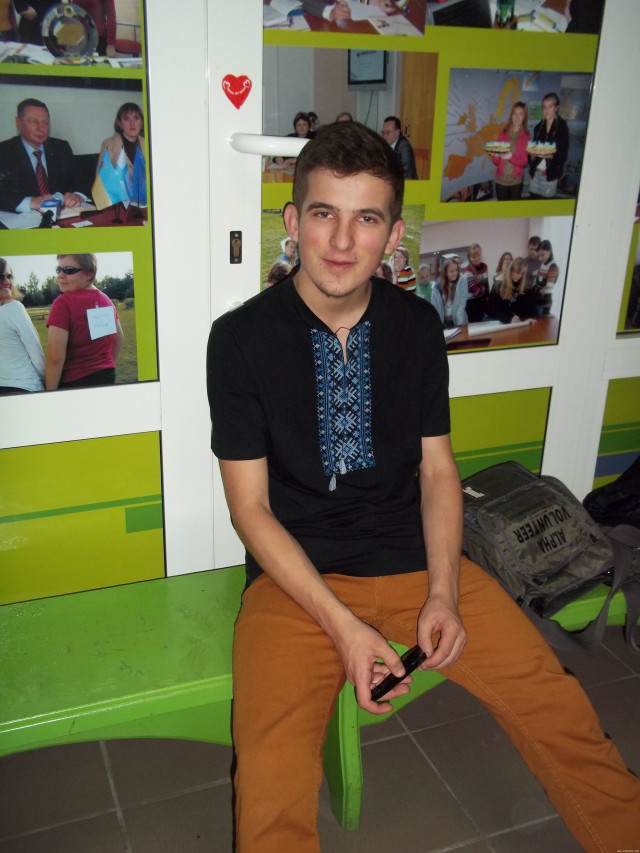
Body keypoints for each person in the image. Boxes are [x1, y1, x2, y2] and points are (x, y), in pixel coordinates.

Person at [207, 120, 640, 853]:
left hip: (418, 566)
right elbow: (249, 509)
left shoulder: (414, 324)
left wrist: (445, 591)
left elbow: (438, 470)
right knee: (270, 780)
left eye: (366, 219)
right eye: (324, 213)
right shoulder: (240, 338)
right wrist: (345, 627)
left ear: (393, 234)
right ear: (293, 221)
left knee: (560, 711)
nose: (342, 240)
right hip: (295, 585)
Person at [45, 254, 123, 390]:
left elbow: (55, 359)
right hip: (107, 376)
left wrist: (49, 393)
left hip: (74, 383)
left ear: (89, 273)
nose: (60, 276)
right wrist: (104, 366)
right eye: (59, 270)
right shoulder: (106, 301)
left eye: (68, 270)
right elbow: (119, 339)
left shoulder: (63, 303)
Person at [0, 98, 86, 215]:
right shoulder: (4, 151)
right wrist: (31, 202)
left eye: (45, 123)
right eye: (34, 122)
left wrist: (78, 196)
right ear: (18, 122)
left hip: (62, 216)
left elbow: (81, 181)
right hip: (22, 220)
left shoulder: (60, 147)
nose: (41, 128)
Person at [0, 257, 45, 394]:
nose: (7, 282)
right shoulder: (14, 308)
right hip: (26, 387)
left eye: (9, 276)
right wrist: (48, 381)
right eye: (1, 277)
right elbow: (36, 355)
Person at [92, 101, 146, 210]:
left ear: (141, 123)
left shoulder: (148, 144)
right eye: (126, 119)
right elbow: (101, 180)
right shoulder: (109, 144)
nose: (132, 123)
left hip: (145, 203)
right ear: (120, 123)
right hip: (119, 205)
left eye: (136, 118)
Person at [528, 92, 569, 199]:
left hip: (550, 175)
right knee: (532, 202)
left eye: (550, 106)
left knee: (546, 205)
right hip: (536, 173)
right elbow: (533, 149)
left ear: (556, 108)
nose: (547, 110)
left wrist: (551, 156)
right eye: (544, 107)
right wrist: (532, 155)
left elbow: (563, 155)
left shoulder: (562, 127)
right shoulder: (538, 127)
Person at [489, 101, 531, 201]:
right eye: (515, 113)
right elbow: (495, 162)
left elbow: (524, 162)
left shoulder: (526, 136)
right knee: (503, 209)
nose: (517, 117)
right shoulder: (503, 133)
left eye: (520, 114)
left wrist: (510, 157)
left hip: (516, 182)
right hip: (501, 180)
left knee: (513, 209)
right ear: (511, 116)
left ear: (524, 116)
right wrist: (496, 155)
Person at [486, 256, 537, 324]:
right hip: (492, 318)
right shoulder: (499, 285)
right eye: (517, 272)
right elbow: (496, 309)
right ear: (511, 270)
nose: (519, 276)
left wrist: (525, 319)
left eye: (521, 273)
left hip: (503, 316)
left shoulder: (517, 282)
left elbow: (511, 305)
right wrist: (509, 319)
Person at [430, 257, 469, 327]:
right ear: (445, 273)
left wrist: (460, 324)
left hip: (460, 321)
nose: (455, 273)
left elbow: (461, 306)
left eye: (456, 270)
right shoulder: (437, 287)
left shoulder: (462, 281)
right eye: (451, 271)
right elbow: (435, 308)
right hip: (444, 323)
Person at [381, 116, 418, 180]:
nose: (384, 136)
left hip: (408, 183)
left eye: (388, 132)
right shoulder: (385, 145)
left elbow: (406, 172)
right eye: (383, 132)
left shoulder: (404, 146)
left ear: (397, 132)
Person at [460, 242, 489, 323]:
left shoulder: (484, 266)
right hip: (472, 304)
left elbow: (487, 285)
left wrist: (481, 285)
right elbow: (476, 292)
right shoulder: (467, 272)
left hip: (483, 302)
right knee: (476, 326)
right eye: (473, 256)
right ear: (469, 257)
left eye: (478, 255)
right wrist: (484, 287)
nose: (477, 258)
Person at [533, 239, 559, 316]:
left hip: (544, 301)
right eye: (538, 256)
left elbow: (548, 289)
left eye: (542, 255)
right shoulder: (543, 263)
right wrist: (538, 289)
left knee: (541, 320)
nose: (540, 258)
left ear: (549, 251)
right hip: (538, 298)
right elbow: (535, 282)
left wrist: (537, 289)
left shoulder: (553, 265)